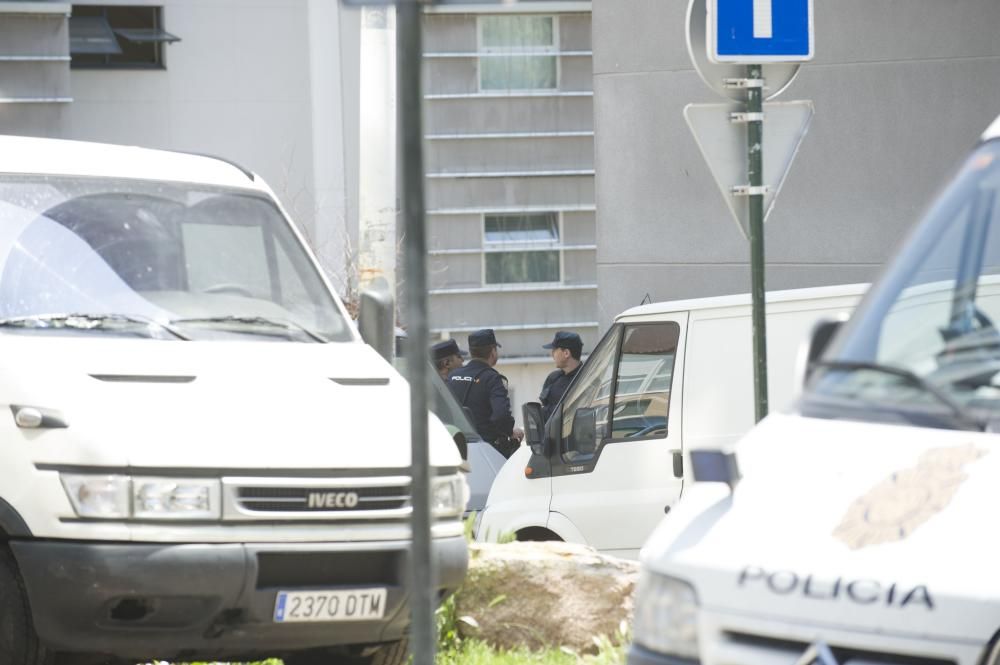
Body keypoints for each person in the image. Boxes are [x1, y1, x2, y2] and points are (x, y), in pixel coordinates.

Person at [447, 328, 524, 457]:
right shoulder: (493, 379)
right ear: (493, 352)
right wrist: (510, 432)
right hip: (488, 450)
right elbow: (501, 416)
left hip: (457, 447)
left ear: (472, 352)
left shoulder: (453, 376)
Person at [539, 331, 584, 422]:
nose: (552, 354)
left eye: (554, 350)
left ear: (566, 353)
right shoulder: (553, 378)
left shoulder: (586, 380)